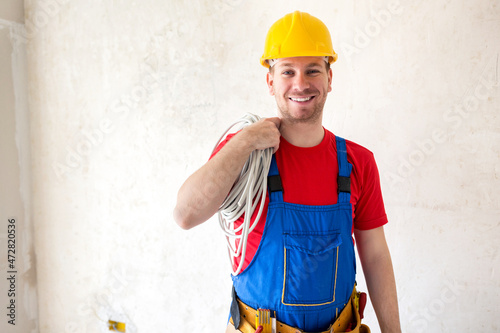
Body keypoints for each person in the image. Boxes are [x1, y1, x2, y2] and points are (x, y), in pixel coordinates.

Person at [174, 10, 401, 333]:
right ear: (270, 81)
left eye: (312, 71)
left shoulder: (357, 162)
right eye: (287, 72)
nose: (300, 84)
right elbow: (185, 215)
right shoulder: (244, 155)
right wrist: (244, 143)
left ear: (329, 78)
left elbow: (376, 255)